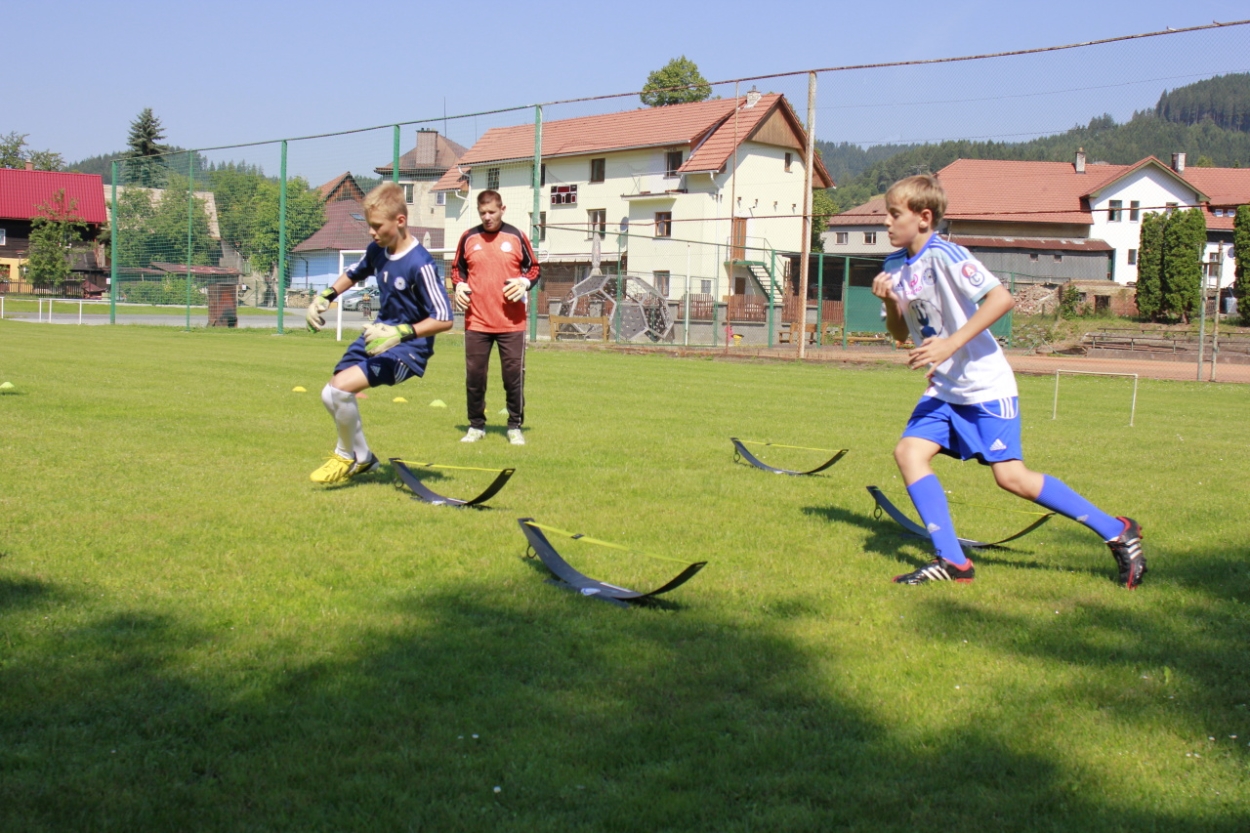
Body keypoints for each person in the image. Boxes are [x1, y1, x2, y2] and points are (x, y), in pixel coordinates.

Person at [870, 175, 1146, 588]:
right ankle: (953, 562)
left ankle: (1118, 530)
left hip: (985, 386)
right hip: (945, 390)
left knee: (1011, 478)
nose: (887, 224)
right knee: (909, 453)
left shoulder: (947, 254)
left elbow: (1002, 299)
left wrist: (949, 345)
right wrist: (891, 303)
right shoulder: (894, 267)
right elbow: (897, 335)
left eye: (895, 215)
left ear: (924, 218)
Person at [305, 182, 454, 484]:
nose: (371, 233)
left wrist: (400, 333)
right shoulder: (377, 250)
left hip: (406, 350)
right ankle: (365, 460)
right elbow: (353, 273)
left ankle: (345, 457)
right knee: (329, 393)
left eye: (376, 226)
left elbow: (445, 318)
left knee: (339, 389)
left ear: (400, 221)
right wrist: (325, 296)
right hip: (376, 336)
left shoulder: (420, 263)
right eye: (369, 227)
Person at [450, 190, 541, 445]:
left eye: (492, 211)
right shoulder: (468, 238)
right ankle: (476, 426)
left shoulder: (516, 236)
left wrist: (524, 282)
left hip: (511, 323)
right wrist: (458, 285)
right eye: (483, 213)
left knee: (513, 377)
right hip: (476, 321)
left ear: (503, 208)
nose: (487, 217)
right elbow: (457, 270)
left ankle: (514, 426)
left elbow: (534, 268)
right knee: (475, 377)